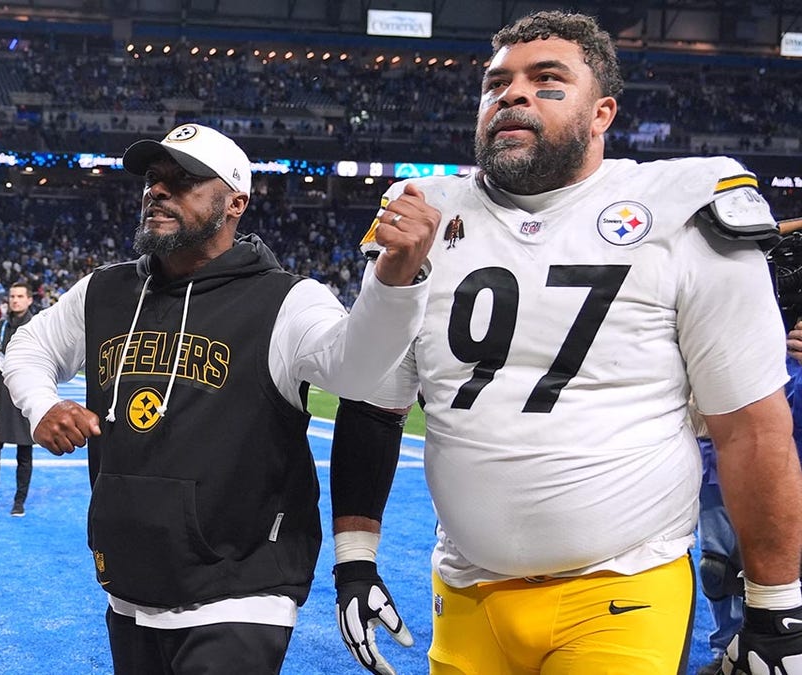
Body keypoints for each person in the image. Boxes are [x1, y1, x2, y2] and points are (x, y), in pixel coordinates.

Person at [329, 11, 802, 674]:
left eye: (547, 80)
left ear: (602, 112)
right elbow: (373, 400)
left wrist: (777, 606)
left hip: (623, 588)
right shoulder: (427, 215)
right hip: (464, 589)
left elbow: (750, 426)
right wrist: (354, 560)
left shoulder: (680, 209)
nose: (512, 95)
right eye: (496, 84)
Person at [1, 122, 438, 674]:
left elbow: (359, 372)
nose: (158, 190)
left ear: (236, 202)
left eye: (183, 180)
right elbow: (28, 347)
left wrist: (393, 281)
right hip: (131, 584)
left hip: (244, 589)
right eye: (153, 178)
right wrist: (42, 405)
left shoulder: (288, 299)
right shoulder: (105, 289)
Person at [0, 279, 36, 517]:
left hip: (23, 397)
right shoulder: (0, 326)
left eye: (20, 296)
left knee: (24, 453)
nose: (15, 300)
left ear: (29, 300)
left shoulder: (37, 326)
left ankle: (19, 502)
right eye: (12, 296)